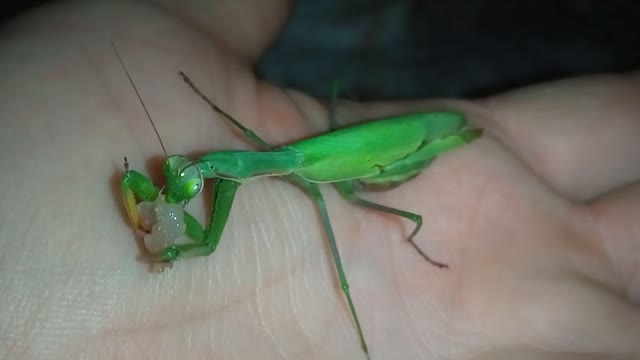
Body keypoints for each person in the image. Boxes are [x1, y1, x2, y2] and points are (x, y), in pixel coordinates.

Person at [1, 2, 638, 359]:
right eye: (187, 178)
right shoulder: (246, 166)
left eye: (187, 176)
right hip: (336, 153)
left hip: (388, 156)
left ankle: (368, 321)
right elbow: (211, 205)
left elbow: (205, 236)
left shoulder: (257, 169)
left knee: (386, 216)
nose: (183, 180)